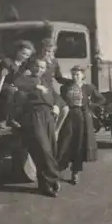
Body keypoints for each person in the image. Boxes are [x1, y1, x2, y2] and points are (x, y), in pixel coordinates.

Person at [14, 58, 69, 197]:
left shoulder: (47, 81)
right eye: (37, 66)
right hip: (34, 116)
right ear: (32, 67)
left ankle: (45, 185)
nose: (39, 69)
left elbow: (57, 97)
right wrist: (36, 86)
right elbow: (18, 85)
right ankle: (54, 177)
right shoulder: (25, 79)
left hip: (49, 116)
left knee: (51, 150)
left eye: (43, 68)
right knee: (42, 150)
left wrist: (57, 105)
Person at [56, 65, 106, 185]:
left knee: (79, 144)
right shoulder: (65, 88)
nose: (75, 77)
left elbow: (101, 99)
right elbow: (61, 101)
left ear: (83, 76)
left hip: (82, 118)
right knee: (65, 143)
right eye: (73, 74)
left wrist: (90, 107)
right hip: (68, 117)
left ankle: (75, 172)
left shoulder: (88, 88)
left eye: (77, 74)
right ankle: (58, 170)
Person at [0, 40, 35, 129]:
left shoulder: (24, 64)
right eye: (23, 53)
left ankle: (12, 118)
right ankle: (2, 120)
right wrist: (21, 75)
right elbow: (4, 77)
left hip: (12, 86)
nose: (25, 57)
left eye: (27, 55)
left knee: (22, 95)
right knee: (9, 92)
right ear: (18, 51)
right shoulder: (7, 62)